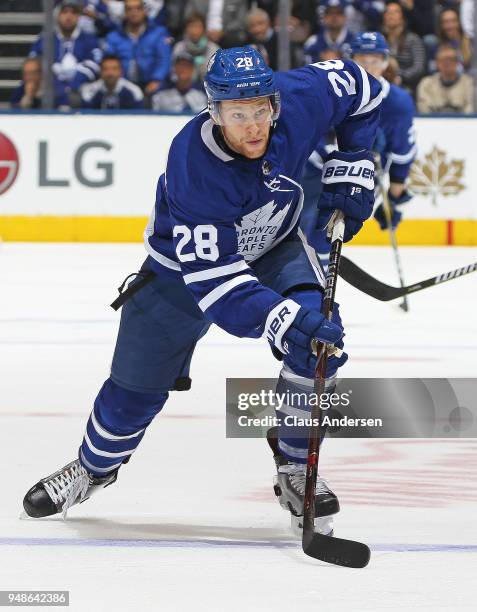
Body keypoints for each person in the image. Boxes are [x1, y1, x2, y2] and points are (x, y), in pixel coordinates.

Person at [23, 46, 381, 536]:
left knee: (318, 345)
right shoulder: (195, 162)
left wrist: (356, 156)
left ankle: (297, 467)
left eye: (260, 110)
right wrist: (278, 320)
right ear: (214, 112)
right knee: (133, 392)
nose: (253, 126)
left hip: (275, 248)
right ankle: (93, 468)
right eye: (238, 115)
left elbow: (363, 86)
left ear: (274, 102)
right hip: (180, 276)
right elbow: (216, 283)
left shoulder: (298, 99)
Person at [301, 32, 416, 268]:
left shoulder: (398, 102)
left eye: (375, 59)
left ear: (386, 62)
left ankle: (316, 283)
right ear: (350, 60)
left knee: (328, 229)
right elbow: (311, 132)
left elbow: (402, 153)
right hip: (315, 167)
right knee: (297, 226)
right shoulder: (331, 91)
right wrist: (332, 154)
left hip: (361, 175)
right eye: (362, 59)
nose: (368, 66)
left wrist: (393, 200)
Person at [29, 0, 102, 102]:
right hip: (51, 87)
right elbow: (34, 61)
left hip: (82, 88)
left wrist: (76, 82)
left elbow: (95, 64)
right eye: (64, 12)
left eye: (73, 13)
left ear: (78, 17)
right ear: (57, 15)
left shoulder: (89, 39)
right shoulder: (46, 38)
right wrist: (54, 77)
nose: (69, 16)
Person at [104, 0, 172, 96]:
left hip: (150, 81)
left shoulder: (159, 33)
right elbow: (109, 61)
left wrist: (156, 79)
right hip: (123, 83)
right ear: (125, 13)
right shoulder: (113, 36)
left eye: (138, 8)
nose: (134, 12)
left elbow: (164, 60)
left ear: (144, 11)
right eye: (129, 9)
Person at [382, 1, 426, 95]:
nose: (391, 15)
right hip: (381, 82)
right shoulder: (379, 41)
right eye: (388, 12)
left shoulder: (413, 39)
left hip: (406, 85)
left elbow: (419, 68)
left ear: (403, 17)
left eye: (395, 12)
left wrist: (399, 76)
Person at [417, 44, 474, 114]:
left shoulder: (467, 82)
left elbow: (470, 107)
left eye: (451, 59)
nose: (447, 63)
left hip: (462, 122)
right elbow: (424, 108)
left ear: (457, 63)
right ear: (437, 63)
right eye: (443, 60)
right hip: (433, 122)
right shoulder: (426, 83)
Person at [81, 55, 145, 109]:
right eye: (105, 69)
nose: (110, 73)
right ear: (100, 72)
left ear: (121, 71)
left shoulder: (134, 91)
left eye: (114, 69)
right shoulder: (89, 91)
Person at [172, 12, 219, 82]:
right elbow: (173, 74)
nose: (194, 31)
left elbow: (217, 75)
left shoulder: (213, 49)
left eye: (198, 26)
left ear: (204, 29)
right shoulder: (179, 47)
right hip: (185, 87)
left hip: (206, 88)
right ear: (186, 29)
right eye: (191, 26)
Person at [304, 0, 354, 64]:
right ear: (323, 17)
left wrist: (341, 59)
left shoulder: (355, 41)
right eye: (329, 13)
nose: (334, 17)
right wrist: (320, 59)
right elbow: (306, 70)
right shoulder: (312, 42)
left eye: (339, 13)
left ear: (345, 17)